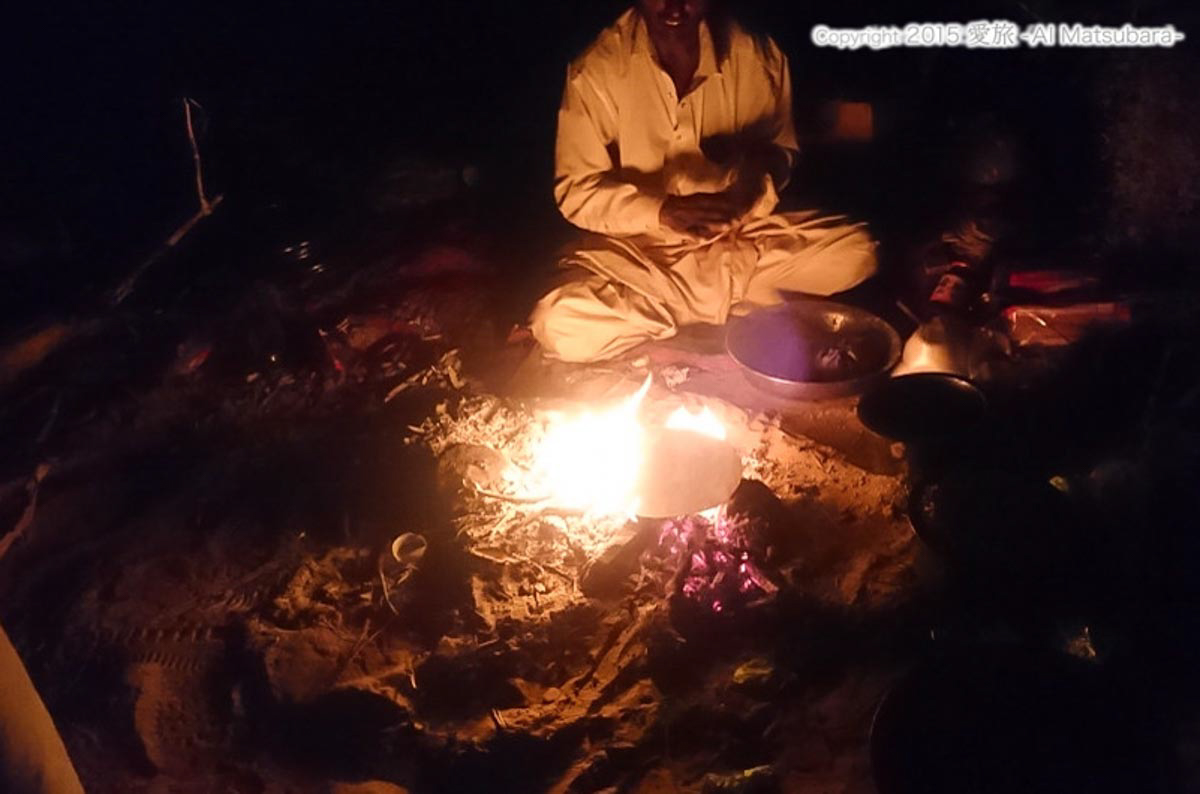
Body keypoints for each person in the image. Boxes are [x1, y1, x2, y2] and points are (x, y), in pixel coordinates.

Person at [530, 0, 878, 362]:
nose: (674, 6)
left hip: (738, 240)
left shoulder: (757, 55)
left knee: (859, 251)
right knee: (559, 325)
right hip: (640, 256)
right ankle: (734, 306)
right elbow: (576, 191)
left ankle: (670, 312)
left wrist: (748, 188)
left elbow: (780, 150)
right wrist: (663, 212)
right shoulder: (597, 69)